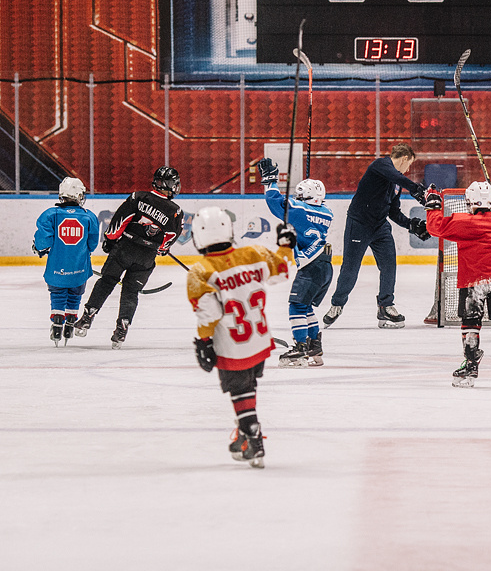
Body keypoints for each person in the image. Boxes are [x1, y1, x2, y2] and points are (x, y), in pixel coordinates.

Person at [187, 206, 296, 468]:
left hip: (231, 346)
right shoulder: (253, 253)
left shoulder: (200, 271)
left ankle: (252, 435)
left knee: (239, 390)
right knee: (247, 386)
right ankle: (244, 436)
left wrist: (204, 341)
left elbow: (210, 313)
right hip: (259, 340)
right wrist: (285, 245)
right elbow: (282, 270)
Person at [424, 181, 491, 388]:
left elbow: (434, 227)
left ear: (469, 202)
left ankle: (471, 365)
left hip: (473, 282)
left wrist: (433, 205)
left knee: (471, 323)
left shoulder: (463, 222)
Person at [72, 166, 183, 348]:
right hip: (146, 257)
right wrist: (161, 249)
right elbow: (169, 239)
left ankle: (87, 317)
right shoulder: (175, 211)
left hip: (125, 249)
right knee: (131, 292)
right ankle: (121, 330)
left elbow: (120, 220)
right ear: (169, 185)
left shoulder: (138, 198)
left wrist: (110, 239)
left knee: (107, 281)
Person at [322, 143, 428, 329]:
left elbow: (393, 212)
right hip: (359, 225)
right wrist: (415, 188)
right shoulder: (380, 166)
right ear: (404, 158)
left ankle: (385, 305)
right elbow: (396, 176)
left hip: (380, 227)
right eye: (409, 164)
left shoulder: (396, 183)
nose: (408, 169)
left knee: (389, 266)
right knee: (350, 268)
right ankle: (337, 304)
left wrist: (412, 225)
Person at [258, 159, 334, 366]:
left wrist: (270, 180)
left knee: (296, 306)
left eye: (300, 195)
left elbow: (275, 203)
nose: (296, 198)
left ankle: (300, 347)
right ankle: (314, 346)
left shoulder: (299, 210)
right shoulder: (326, 213)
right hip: (325, 266)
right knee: (306, 306)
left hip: (311, 265)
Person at [33, 177, 100, 346]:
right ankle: (70, 321)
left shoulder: (50, 214)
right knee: (75, 294)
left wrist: (39, 248)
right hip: (79, 268)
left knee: (58, 293)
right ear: (79, 195)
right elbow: (92, 244)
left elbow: (42, 242)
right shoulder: (89, 217)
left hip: (56, 268)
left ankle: (57, 323)